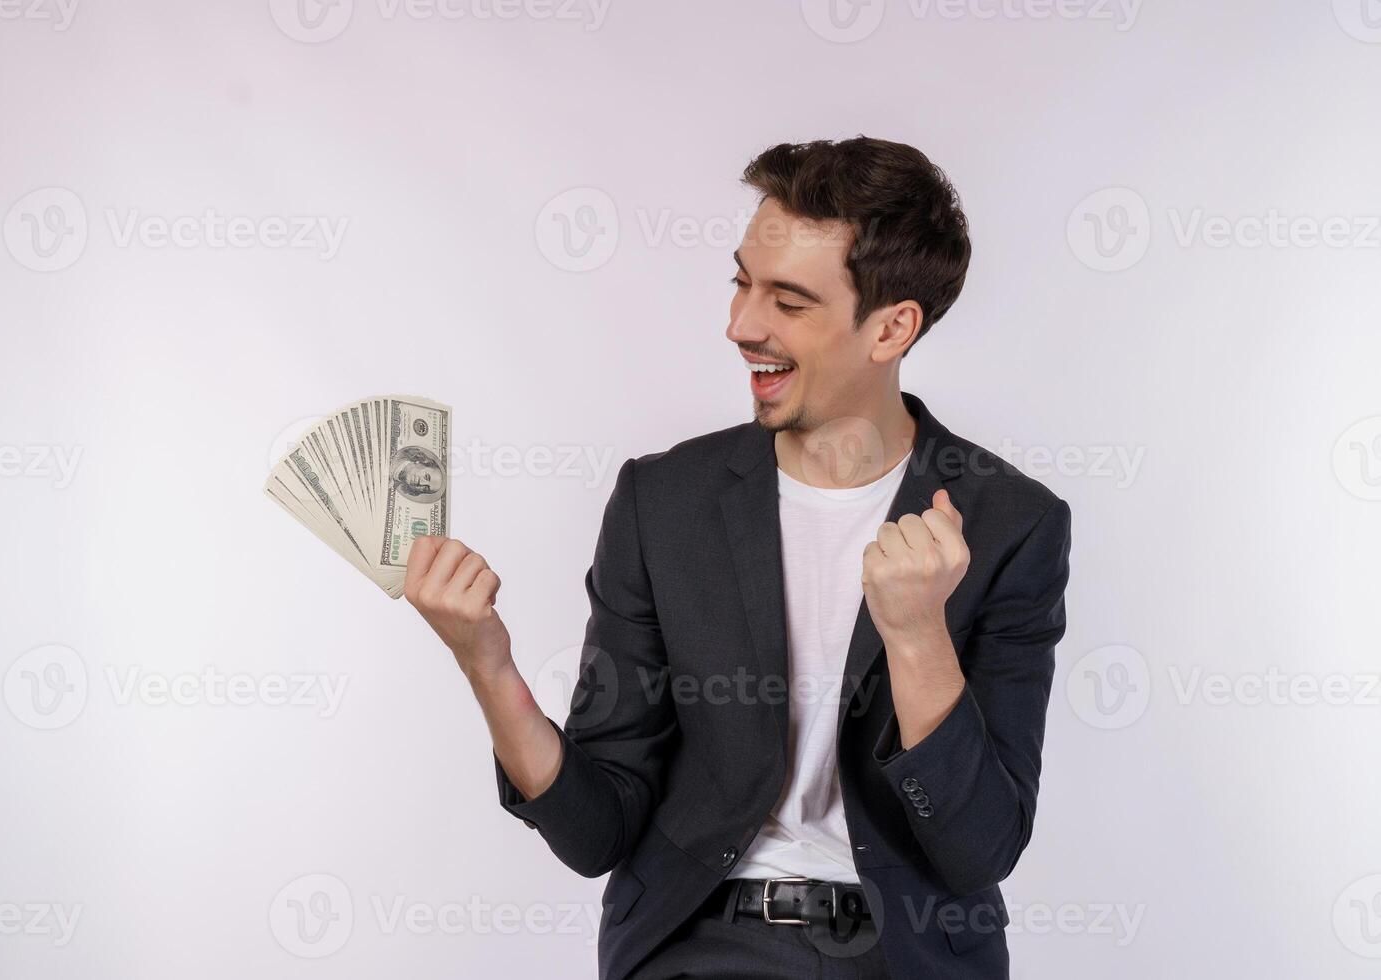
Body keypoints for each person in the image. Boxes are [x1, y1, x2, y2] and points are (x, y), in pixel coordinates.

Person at [402, 136, 1073, 979]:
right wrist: (487, 664)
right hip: (700, 944)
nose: (740, 325)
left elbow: (980, 848)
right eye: (741, 282)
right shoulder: (663, 503)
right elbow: (596, 832)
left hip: (911, 955)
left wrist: (917, 636)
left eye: (788, 302)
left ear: (892, 327)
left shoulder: (1012, 524)